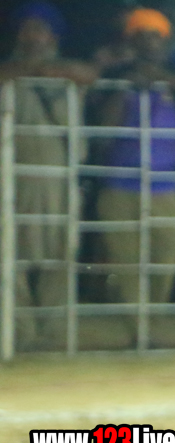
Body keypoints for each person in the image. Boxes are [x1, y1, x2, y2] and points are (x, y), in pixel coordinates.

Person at [94, 9, 175, 335]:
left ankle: (147, 323)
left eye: (155, 36)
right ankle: (138, 330)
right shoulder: (117, 73)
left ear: (165, 40)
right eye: (141, 36)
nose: (149, 42)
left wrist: (160, 77)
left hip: (166, 185)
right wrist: (126, 87)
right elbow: (102, 128)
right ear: (130, 40)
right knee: (127, 262)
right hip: (120, 182)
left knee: (164, 259)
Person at [0, 2, 96, 350]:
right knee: (12, 253)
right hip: (13, 178)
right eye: (28, 28)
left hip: (60, 178)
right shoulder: (10, 71)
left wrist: (38, 69)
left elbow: (89, 74)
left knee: (60, 253)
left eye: (41, 29)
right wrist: (30, 68)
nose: (34, 36)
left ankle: (55, 334)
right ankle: (19, 331)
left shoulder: (65, 73)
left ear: (54, 35)